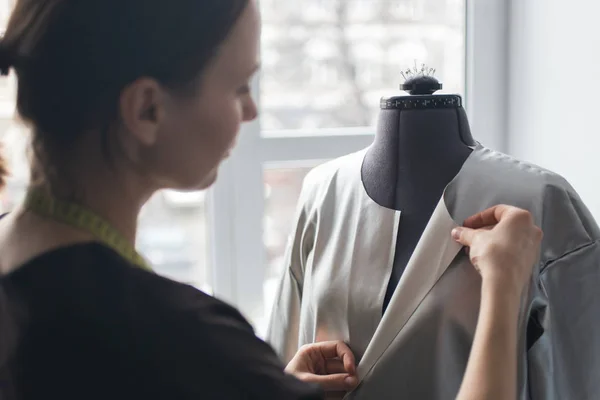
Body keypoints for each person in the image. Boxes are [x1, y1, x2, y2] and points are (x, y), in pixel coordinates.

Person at [0, 0, 542, 399]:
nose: (251, 113)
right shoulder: (179, 341)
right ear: (147, 110)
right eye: (239, 88)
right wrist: (505, 287)